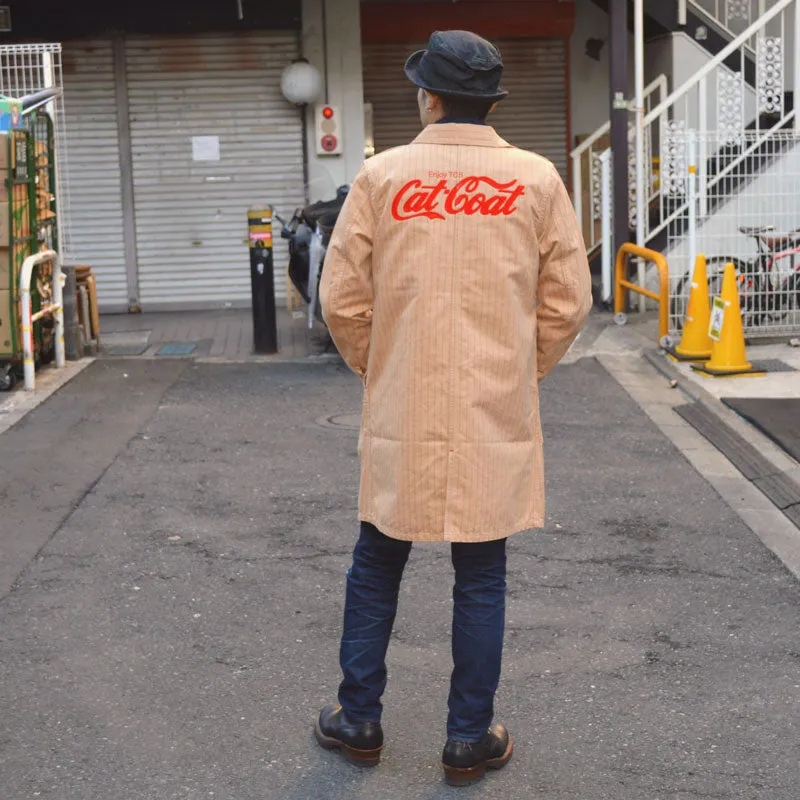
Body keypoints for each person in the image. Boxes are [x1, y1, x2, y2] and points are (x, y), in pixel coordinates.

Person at [316, 30, 592, 787]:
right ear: (491, 100)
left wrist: (385, 366)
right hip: (491, 409)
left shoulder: (382, 174)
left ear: (428, 97)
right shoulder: (537, 179)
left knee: (376, 564)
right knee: (481, 573)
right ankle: (469, 737)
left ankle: (359, 721)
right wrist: (516, 369)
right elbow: (568, 304)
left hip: (403, 405)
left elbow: (341, 299)